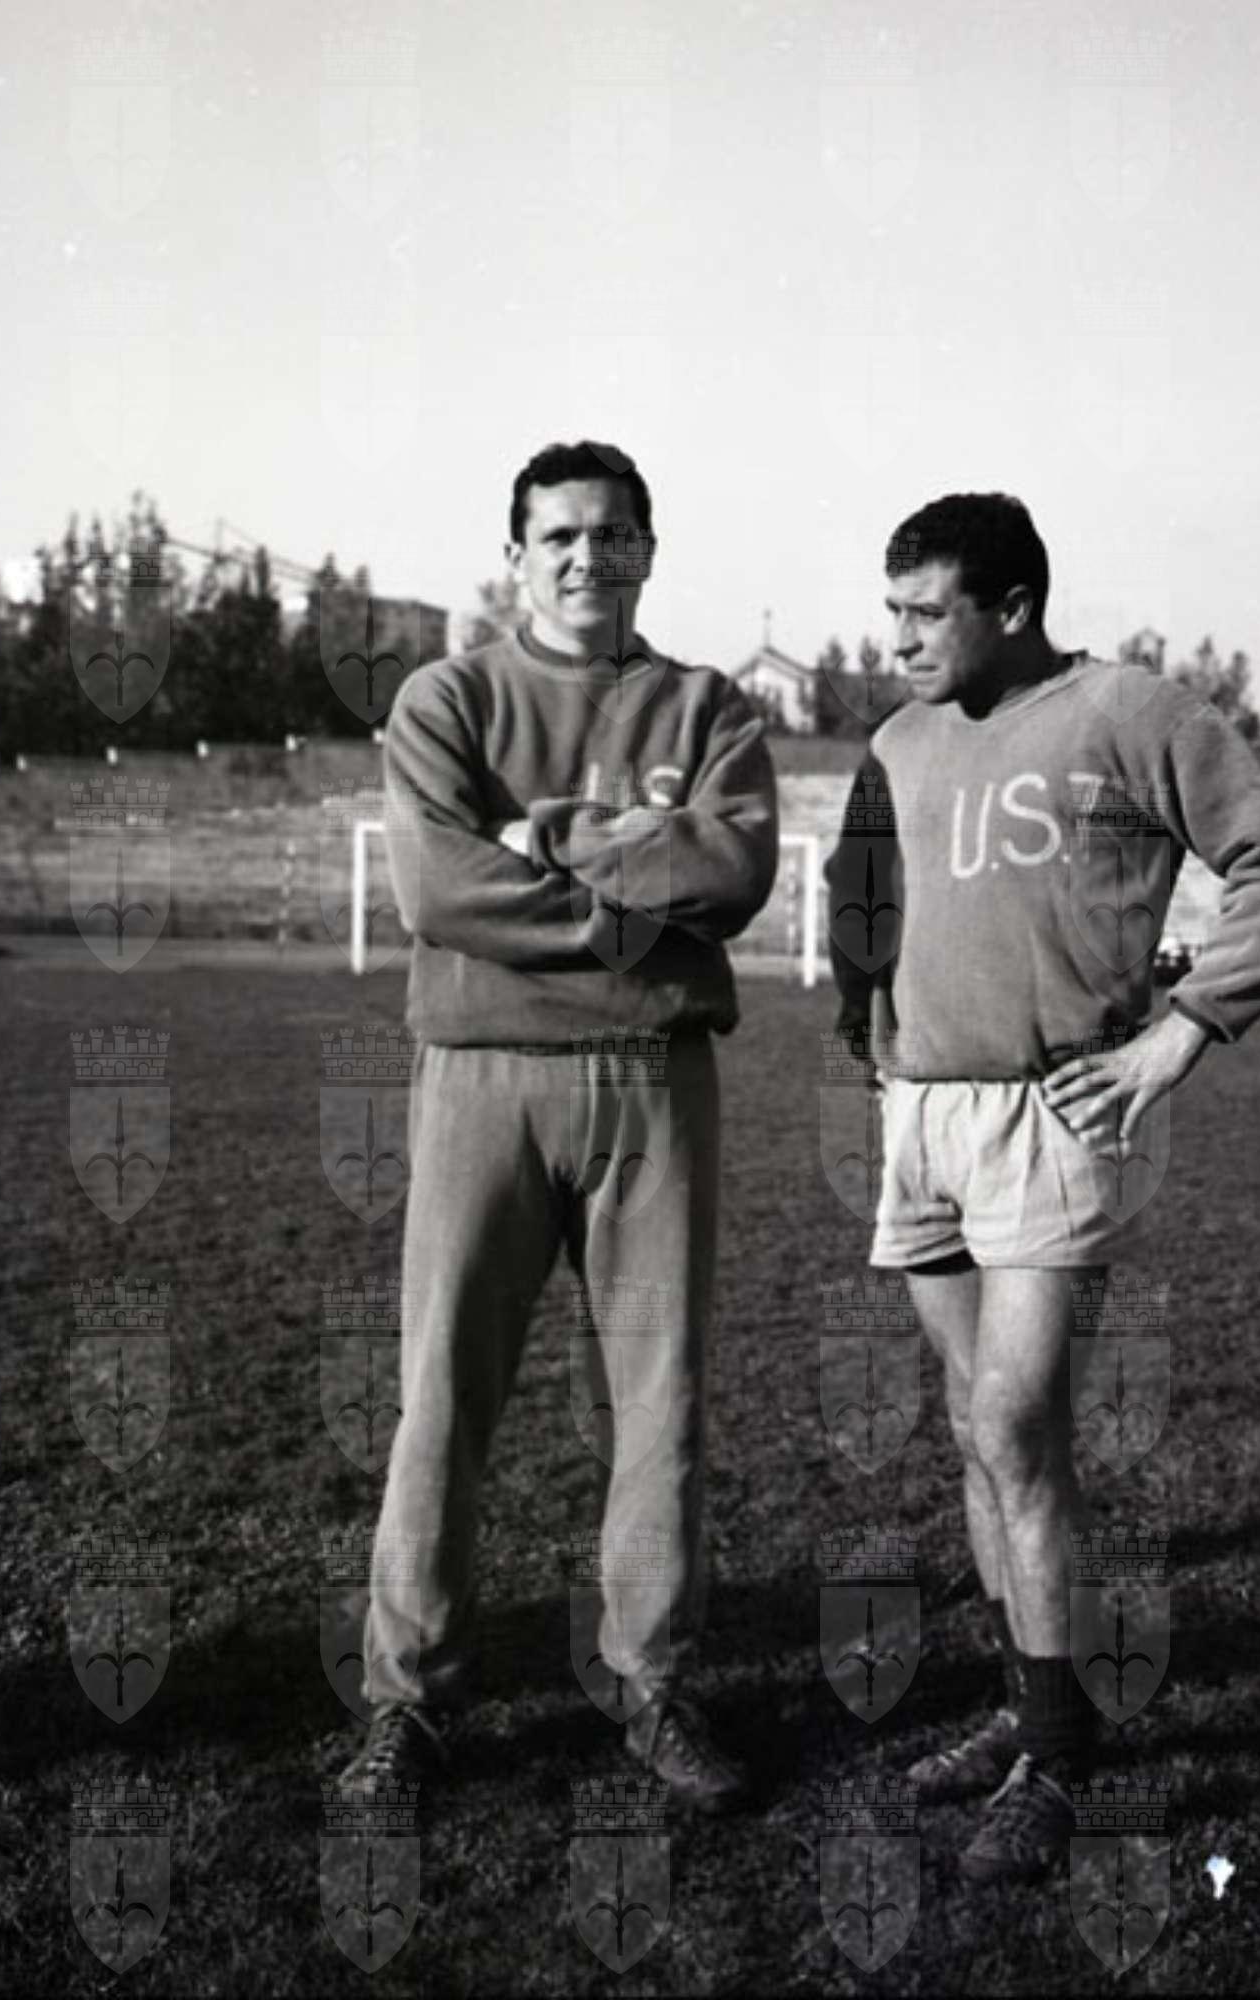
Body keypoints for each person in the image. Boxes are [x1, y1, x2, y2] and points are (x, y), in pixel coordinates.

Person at [825, 492, 1260, 1884]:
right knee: (971, 1427)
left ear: (1012, 608)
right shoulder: (898, 741)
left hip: (1055, 1115)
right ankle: (1025, 1709)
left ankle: (1059, 1761)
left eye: (925, 613)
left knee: (1018, 1427)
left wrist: (1181, 1035)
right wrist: (872, 1038)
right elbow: (864, 898)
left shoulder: (1130, 713)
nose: (897, 641)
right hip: (923, 1116)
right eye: (890, 613)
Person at [339, 440, 777, 1815]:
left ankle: (653, 1685)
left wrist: (551, 840)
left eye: (613, 533)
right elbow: (439, 890)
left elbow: (735, 868)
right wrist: (636, 912)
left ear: (648, 549)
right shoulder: (450, 697)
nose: (589, 557)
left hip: (655, 1085)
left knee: (662, 1401)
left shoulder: (708, 707)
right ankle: (410, 1701)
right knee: (444, 1396)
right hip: (484, 1078)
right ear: (517, 557)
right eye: (561, 537)